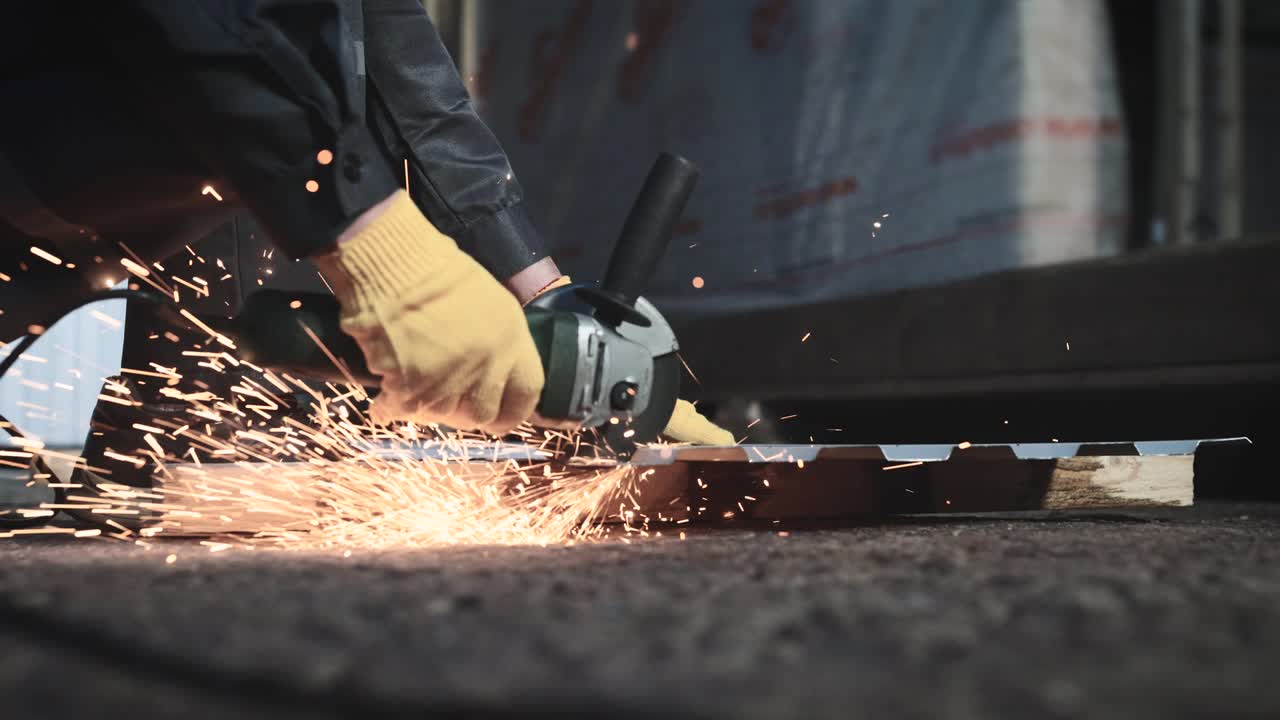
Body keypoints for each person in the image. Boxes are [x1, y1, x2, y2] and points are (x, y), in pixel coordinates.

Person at [0, 1, 730, 449]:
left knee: (216, 448)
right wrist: (373, 241)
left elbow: (394, 62)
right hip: (45, 137)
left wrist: (549, 299)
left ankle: (183, 442)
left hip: (129, 179)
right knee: (299, 160)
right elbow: (220, 26)